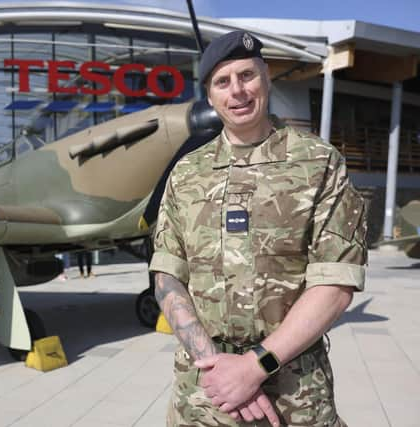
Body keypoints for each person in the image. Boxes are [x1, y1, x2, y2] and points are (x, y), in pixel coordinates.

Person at [149, 30, 367, 427]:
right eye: (222, 81)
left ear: (266, 78)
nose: (238, 91)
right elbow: (167, 275)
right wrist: (214, 367)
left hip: (294, 394)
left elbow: (335, 285)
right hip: (204, 391)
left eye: (247, 75)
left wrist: (254, 366)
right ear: (210, 96)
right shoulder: (186, 174)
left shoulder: (319, 163)